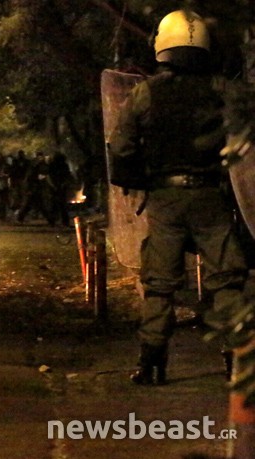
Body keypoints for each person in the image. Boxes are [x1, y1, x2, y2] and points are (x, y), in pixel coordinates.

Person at [109, 9, 251, 385]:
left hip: (165, 199)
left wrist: (139, 179)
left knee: (159, 284)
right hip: (211, 196)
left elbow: (121, 149)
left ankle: (151, 363)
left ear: (162, 47)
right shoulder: (222, 91)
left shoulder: (145, 93)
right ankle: (237, 360)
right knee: (227, 280)